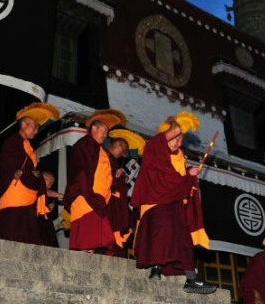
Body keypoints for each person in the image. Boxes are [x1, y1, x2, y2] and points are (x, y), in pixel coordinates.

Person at [131, 112, 214, 294]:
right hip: (157, 203)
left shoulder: (179, 159)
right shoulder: (154, 150)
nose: (178, 142)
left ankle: (188, 278)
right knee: (162, 236)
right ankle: (158, 269)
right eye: (174, 138)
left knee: (181, 240)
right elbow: (167, 180)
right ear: (164, 138)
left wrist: (190, 176)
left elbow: (178, 182)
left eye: (180, 139)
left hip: (174, 203)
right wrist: (175, 125)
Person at [0, 102, 60, 245]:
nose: (36, 131)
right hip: (15, 191)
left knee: (26, 233)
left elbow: (28, 168)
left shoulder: (28, 146)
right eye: (34, 126)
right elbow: (7, 161)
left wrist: (35, 175)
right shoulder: (13, 142)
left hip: (28, 195)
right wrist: (14, 172)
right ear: (24, 123)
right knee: (11, 230)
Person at [63, 109, 125, 254]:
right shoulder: (83, 145)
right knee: (87, 235)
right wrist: (89, 195)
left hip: (99, 198)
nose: (105, 135)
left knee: (94, 238)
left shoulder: (101, 150)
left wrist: (116, 174)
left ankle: (89, 254)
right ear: (93, 128)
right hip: (86, 195)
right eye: (102, 130)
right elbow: (81, 172)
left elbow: (104, 174)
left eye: (107, 132)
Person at [107, 129, 145, 258]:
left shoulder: (116, 162)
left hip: (116, 204)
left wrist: (121, 180)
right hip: (107, 202)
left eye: (125, 153)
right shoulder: (104, 157)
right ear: (117, 146)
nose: (124, 155)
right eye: (123, 151)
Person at [38, 171, 61, 248]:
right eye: (42, 178)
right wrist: (60, 195)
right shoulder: (33, 185)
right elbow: (47, 192)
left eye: (52, 184)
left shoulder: (42, 191)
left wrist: (47, 208)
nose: (50, 186)